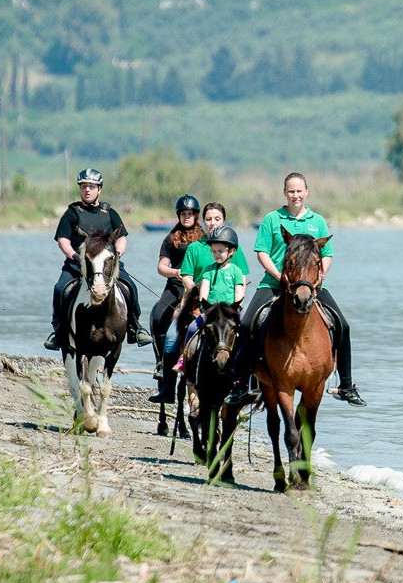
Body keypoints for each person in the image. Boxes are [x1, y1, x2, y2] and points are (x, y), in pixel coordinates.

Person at [227, 172, 365, 407]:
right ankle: (241, 384)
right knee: (247, 324)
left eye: (299, 191)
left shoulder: (318, 222)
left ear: (306, 192)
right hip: (274, 284)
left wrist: (319, 278)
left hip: (310, 286)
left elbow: (327, 254)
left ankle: (346, 385)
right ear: (285, 193)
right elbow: (262, 252)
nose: (295, 195)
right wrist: (280, 276)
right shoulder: (272, 219)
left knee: (343, 325)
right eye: (291, 191)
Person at [148, 201, 249, 404]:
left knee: (248, 336)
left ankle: (245, 385)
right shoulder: (196, 247)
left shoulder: (232, 247)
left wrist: (234, 307)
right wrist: (198, 303)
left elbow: (242, 278)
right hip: (199, 303)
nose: (213, 223)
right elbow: (186, 276)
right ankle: (167, 386)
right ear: (203, 221)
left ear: (224, 220)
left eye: (217, 219)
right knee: (170, 338)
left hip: (229, 309)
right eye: (209, 219)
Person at [44, 168, 152, 351]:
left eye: (92, 186)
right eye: (84, 186)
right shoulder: (72, 212)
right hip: (77, 266)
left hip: (107, 266)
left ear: (99, 189)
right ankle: (59, 331)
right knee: (60, 289)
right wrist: (74, 255)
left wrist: (116, 255)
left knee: (130, 287)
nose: (87, 190)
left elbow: (121, 238)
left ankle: (135, 327)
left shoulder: (109, 213)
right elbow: (63, 239)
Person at [172, 225, 246, 372]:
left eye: (220, 251)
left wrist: (234, 309)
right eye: (214, 251)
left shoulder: (236, 271)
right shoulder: (208, 270)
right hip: (211, 312)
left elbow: (239, 293)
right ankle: (184, 359)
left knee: (247, 329)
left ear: (231, 252)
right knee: (192, 328)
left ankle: (248, 365)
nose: (217, 254)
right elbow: (204, 291)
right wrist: (203, 306)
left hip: (230, 312)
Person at [148, 194, 204, 388]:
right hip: (176, 285)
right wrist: (176, 272)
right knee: (157, 316)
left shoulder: (205, 238)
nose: (187, 217)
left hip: (198, 287)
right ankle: (162, 362)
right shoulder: (171, 238)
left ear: (196, 215)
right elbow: (161, 267)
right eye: (183, 213)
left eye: (190, 214)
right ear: (178, 215)